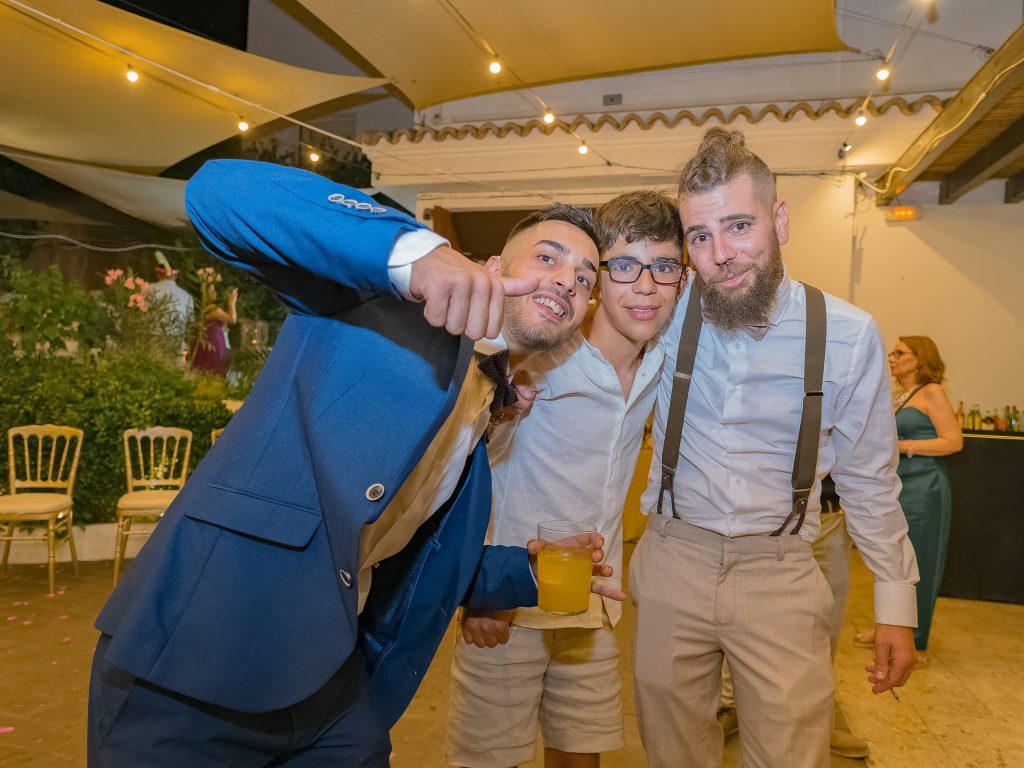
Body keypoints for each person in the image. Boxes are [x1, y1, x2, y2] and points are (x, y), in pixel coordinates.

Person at [88, 159, 624, 767]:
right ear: (493, 269)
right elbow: (219, 193)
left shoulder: (484, 411)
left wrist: (520, 572)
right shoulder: (376, 301)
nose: (567, 283)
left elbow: (399, 540)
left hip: (330, 681)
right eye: (548, 259)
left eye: (585, 280)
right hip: (194, 663)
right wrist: (414, 252)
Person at [632, 127, 920, 768]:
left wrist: (896, 605)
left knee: (793, 752)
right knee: (670, 754)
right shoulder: (660, 314)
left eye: (739, 226)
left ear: (780, 220)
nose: (720, 255)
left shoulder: (848, 334)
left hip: (784, 568)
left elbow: (871, 480)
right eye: (700, 237)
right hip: (674, 556)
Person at [446, 191, 686, 768]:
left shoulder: (662, 358)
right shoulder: (542, 350)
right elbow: (473, 466)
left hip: (592, 604)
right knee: (488, 759)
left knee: (582, 756)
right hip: (507, 604)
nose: (645, 287)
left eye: (665, 269)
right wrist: (480, 591)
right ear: (600, 278)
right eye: (624, 267)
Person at [717, 476, 871, 760]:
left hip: (826, 515)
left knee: (825, 622)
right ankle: (731, 704)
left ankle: (818, 721)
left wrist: (857, 496)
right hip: (763, 518)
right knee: (741, 611)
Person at [854, 336, 962, 665]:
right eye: (892, 352)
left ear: (920, 358)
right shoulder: (896, 394)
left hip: (926, 486)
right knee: (892, 558)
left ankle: (916, 638)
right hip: (898, 485)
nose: (892, 357)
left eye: (900, 353)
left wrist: (903, 446)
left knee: (922, 560)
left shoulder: (932, 392)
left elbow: (953, 442)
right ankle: (889, 624)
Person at [190, 280, 237, 376]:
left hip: (210, 338)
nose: (215, 293)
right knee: (213, 365)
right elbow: (232, 319)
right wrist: (232, 302)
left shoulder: (204, 308)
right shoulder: (212, 308)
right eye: (211, 291)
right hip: (213, 339)